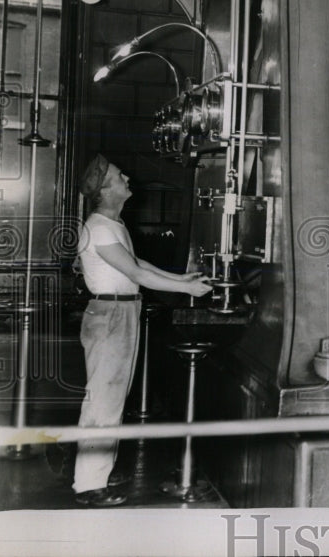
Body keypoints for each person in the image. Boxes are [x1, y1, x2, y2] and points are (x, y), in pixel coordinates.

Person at [72, 154, 211, 507]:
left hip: (121, 312)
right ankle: (89, 486)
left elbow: (137, 264)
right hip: (110, 313)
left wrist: (181, 278)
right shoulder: (100, 227)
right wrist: (186, 291)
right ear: (105, 189)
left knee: (112, 398)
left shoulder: (112, 224)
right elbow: (136, 276)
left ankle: (97, 474)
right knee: (103, 400)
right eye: (121, 176)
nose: (127, 179)